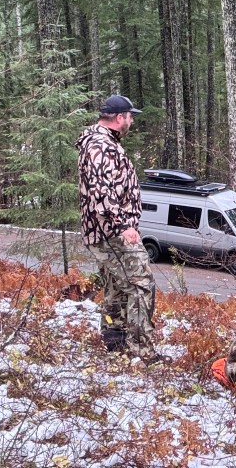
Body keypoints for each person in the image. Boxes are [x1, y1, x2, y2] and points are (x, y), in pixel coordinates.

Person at [75, 94, 159, 362]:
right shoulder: (101, 146)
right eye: (130, 116)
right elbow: (102, 191)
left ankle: (114, 338)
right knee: (141, 284)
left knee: (118, 283)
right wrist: (123, 226)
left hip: (107, 229)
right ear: (120, 117)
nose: (132, 121)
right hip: (111, 231)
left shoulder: (103, 143)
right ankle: (141, 350)